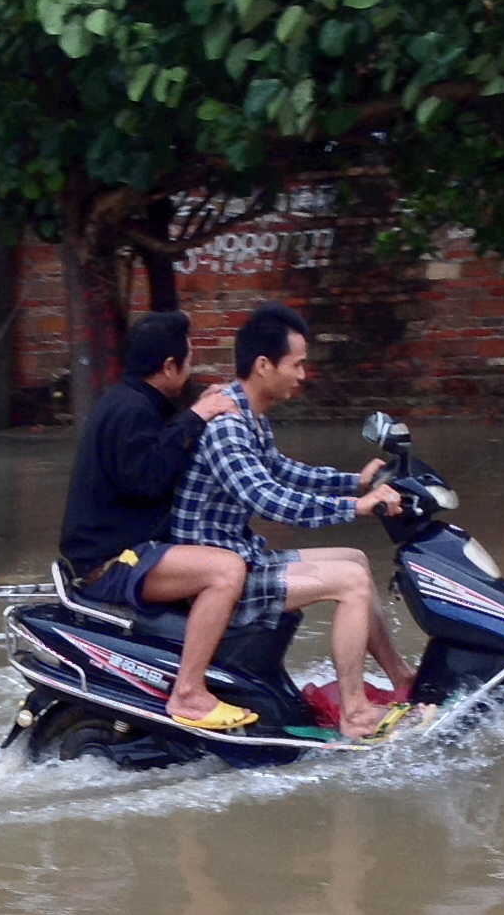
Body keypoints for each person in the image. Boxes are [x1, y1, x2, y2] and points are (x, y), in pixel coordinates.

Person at [170, 302, 415, 740]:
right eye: (297, 364)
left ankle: (400, 678)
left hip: (242, 555)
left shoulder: (249, 416)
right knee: (351, 583)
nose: (303, 375)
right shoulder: (228, 426)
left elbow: (283, 471)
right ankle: (356, 714)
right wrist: (357, 507)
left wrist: (357, 482)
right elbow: (271, 501)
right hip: (224, 571)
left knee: (356, 560)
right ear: (264, 366)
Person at [55, 309, 258, 730]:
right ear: (168, 367)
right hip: (108, 565)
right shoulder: (131, 411)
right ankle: (189, 693)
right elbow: (147, 480)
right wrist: (197, 416)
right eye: (189, 360)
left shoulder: (134, 402)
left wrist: (197, 411)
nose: (192, 369)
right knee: (226, 571)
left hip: (125, 554)